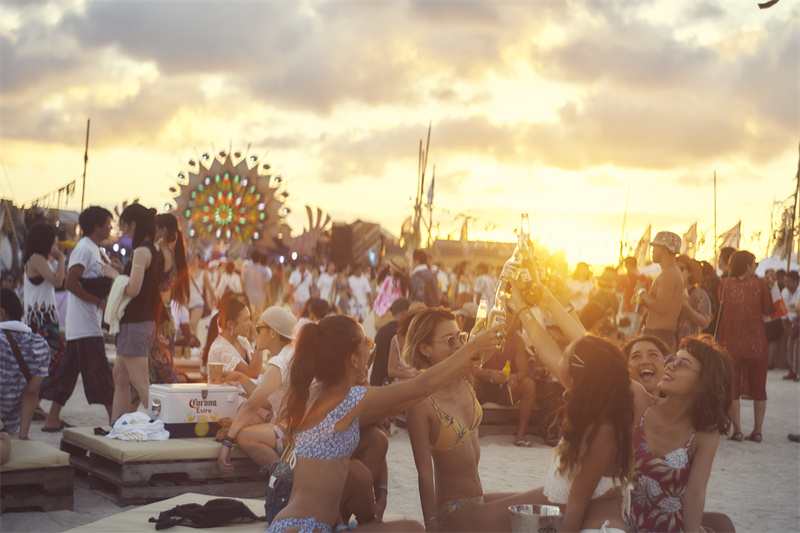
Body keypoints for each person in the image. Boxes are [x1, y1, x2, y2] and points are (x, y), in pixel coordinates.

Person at [507, 280, 734, 533]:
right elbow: (592, 350)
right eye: (673, 359)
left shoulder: (705, 434)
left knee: (723, 524)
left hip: (667, 526)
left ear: (703, 384)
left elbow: (695, 494)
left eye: (683, 364)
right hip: (619, 521)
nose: (671, 366)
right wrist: (542, 302)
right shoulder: (640, 401)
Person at [267, 315, 501, 533]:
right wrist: (471, 347)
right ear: (354, 359)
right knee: (413, 529)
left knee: (411, 527)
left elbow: (408, 400)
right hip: (306, 528)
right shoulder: (348, 400)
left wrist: (382, 491)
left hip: (291, 523)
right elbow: (422, 387)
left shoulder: (320, 394)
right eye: (367, 342)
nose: (371, 348)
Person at [42, 206, 115, 430]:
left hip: (82, 323)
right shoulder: (84, 249)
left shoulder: (94, 249)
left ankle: (52, 418)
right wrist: (99, 303)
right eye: (108, 223)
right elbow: (71, 283)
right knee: (101, 373)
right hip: (85, 324)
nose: (110, 227)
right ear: (97, 226)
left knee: (68, 373)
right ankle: (116, 420)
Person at [219, 306, 297, 471]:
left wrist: (228, 441)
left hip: (295, 432)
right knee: (244, 420)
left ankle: (283, 479)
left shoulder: (280, 362)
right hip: (298, 426)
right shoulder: (290, 354)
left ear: (273, 333)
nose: (255, 332)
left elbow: (252, 406)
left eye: (259, 327)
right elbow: (267, 403)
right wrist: (241, 378)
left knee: (244, 436)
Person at [107, 205, 164, 420]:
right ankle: (117, 424)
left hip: (135, 323)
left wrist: (114, 275)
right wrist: (122, 272)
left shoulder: (140, 252)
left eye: (123, 225)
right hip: (143, 321)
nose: (122, 230)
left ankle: (161, 424)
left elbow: (133, 289)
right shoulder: (153, 251)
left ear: (133, 224)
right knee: (120, 377)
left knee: (140, 383)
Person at [718, 250, 774, 443]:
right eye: (754, 263)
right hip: (756, 341)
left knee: (733, 388)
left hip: (731, 341)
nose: (755, 267)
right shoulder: (760, 284)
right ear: (748, 266)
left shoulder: (724, 284)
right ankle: (757, 431)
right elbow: (768, 309)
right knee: (759, 387)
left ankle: (738, 431)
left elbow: (722, 306)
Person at [21, 222, 66, 419]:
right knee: (52, 358)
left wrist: (57, 260)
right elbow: (58, 281)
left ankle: (35, 401)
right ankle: (33, 399)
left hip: (43, 319)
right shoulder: (37, 259)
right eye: (53, 240)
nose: (56, 243)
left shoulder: (41, 260)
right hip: (41, 321)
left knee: (45, 360)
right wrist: (61, 258)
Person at [474, 317, 538, 448]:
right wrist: (489, 373)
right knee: (470, 382)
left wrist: (514, 377)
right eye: (508, 318)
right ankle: (469, 433)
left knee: (529, 385)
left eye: (514, 319)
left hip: (506, 388)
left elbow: (523, 372)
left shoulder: (517, 340)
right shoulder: (485, 335)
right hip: (482, 387)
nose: (510, 323)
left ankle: (520, 435)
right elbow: (470, 368)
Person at [1, 288, 50, 440]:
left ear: (1, 313)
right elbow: (31, 394)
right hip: (9, 429)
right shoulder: (40, 345)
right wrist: (23, 437)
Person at [639, 231, 684, 351]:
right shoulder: (669, 272)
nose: (652, 250)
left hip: (659, 335)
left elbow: (661, 308)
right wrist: (643, 299)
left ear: (663, 248)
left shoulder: (669, 273)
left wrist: (641, 292)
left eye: (654, 247)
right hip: (658, 334)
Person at [207, 296, 262, 378]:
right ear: (230, 324)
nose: (250, 324)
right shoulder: (219, 349)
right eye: (246, 320)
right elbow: (252, 373)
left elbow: (258, 368)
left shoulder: (242, 341)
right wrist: (259, 343)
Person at [369, 298, 411, 387]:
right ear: (404, 313)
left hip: (377, 382)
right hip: (394, 385)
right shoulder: (402, 333)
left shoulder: (380, 331)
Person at [675, 255, 712, 342]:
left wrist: (687, 307)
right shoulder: (671, 292)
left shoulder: (699, 294)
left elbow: (705, 322)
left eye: (681, 269)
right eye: (675, 269)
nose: (677, 272)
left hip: (691, 344)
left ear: (690, 273)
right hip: (672, 344)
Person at [242, 250, 272, 318]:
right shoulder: (264, 270)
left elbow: (243, 284)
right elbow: (266, 285)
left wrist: (243, 295)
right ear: (260, 258)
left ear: (251, 258)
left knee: (250, 314)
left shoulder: (246, 270)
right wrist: (269, 298)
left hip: (249, 297)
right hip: (260, 298)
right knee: (259, 315)